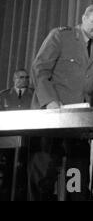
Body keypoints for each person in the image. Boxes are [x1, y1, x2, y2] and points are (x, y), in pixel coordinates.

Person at [28, 3, 93, 201]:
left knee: (76, 175)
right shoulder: (61, 36)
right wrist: (50, 102)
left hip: (78, 121)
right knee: (43, 175)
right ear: (83, 18)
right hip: (49, 117)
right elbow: (39, 69)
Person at [0, 69, 34, 200]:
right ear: (14, 79)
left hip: (27, 138)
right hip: (7, 140)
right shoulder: (3, 95)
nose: (24, 80)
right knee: (9, 167)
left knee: (25, 168)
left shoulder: (34, 95)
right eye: (20, 77)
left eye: (26, 77)